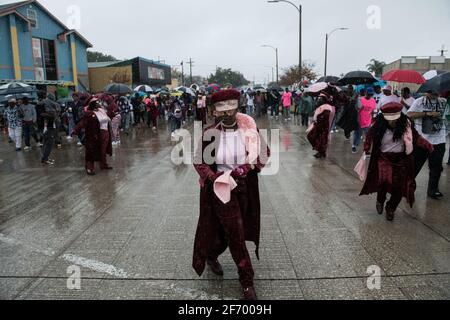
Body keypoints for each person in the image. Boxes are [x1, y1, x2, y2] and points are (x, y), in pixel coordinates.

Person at [192, 89, 269, 301]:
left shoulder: (249, 130)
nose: (226, 112)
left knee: (229, 231)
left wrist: (246, 168)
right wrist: (213, 176)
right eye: (221, 107)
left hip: (244, 189)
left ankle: (211, 254)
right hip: (221, 191)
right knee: (235, 234)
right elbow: (199, 161)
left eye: (230, 106)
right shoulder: (210, 133)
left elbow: (264, 153)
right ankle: (247, 282)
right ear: (214, 111)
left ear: (238, 106)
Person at [360, 103, 433, 221]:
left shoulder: (406, 125)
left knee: (399, 187)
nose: (392, 122)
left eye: (394, 119)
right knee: (384, 182)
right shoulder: (378, 125)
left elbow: (416, 137)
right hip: (383, 159)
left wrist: (427, 144)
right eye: (389, 120)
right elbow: (369, 136)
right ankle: (380, 200)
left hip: (401, 160)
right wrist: (366, 148)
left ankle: (391, 208)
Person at [408, 90, 447, 199]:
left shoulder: (444, 101)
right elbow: (409, 114)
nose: (435, 94)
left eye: (436, 93)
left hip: (439, 140)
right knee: (415, 166)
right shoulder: (419, 101)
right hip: (422, 140)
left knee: (437, 167)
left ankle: (433, 190)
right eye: (432, 92)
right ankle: (408, 187)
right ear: (427, 92)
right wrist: (427, 113)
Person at [72, 98, 114, 175]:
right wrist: (75, 130)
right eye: (97, 102)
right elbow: (82, 122)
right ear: (92, 104)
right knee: (91, 151)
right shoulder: (89, 113)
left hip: (105, 133)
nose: (99, 103)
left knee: (103, 150)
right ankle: (89, 168)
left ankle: (103, 164)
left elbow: (107, 119)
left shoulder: (101, 110)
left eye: (99, 102)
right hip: (94, 134)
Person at [306, 92, 336, 159]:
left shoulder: (327, 108)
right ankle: (320, 151)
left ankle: (321, 152)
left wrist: (318, 121)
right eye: (318, 99)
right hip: (318, 126)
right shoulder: (321, 106)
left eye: (320, 99)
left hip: (323, 127)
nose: (318, 100)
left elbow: (324, 117)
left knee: (321, 139)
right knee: (311, 136)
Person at [352, 87, 377, 153]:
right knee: (357, 135)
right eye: (369, 94)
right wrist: (355, 99)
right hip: (360, 120)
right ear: (366, 93)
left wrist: (374, 118)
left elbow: (373, 110)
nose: (370, 96)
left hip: (368, 121)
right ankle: (354, 145)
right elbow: (356, 108)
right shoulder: (360, 99)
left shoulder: (373, 100)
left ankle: (366, 149)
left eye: (371, 95)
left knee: (368, 136)